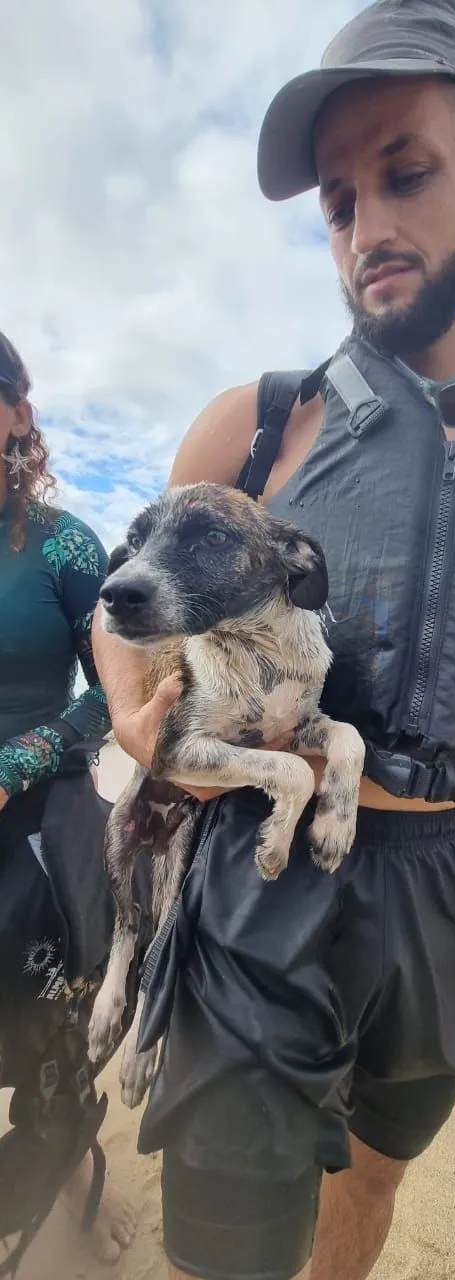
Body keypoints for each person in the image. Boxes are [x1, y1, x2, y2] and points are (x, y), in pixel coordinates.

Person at [92, 3, 455, 1279]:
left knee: (370, 1182)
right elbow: (121, 607)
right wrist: (135, 709)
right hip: (264, 879)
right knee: (230, 1244)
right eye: (338, 200)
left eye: (406, 173)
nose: (369, 229)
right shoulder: (251, 435)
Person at [0, 330, 137, 1268]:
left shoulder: (66, 544)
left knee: (47, 1038)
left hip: (41, 819)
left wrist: (18, 761)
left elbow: (114, 694)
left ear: (18, 413)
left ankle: (47, 1173)